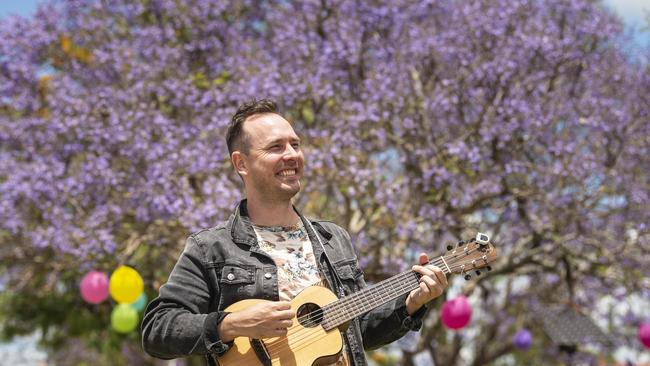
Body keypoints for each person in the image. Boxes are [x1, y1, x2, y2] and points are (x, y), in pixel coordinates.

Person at [141, 99, 448, 366]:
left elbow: (359, 330)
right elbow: (158, 329)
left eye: (295, 144)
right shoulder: (210, 248)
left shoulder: (333, 240)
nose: (292, 155)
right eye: (276, 147)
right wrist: (232, 324)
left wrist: (411, 303)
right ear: (241, 163)